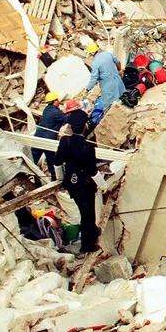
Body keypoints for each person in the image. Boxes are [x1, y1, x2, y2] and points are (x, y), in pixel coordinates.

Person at [53, 109, 102, 255]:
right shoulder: (88, 147)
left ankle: (92, 231)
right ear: (85, 127)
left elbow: (57, 163)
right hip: (84, 185)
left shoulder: (64, 141)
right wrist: (103, 186)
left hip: (71, 184)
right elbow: (92, 171)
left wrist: (61, 179)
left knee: (84, 211)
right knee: (88, 215)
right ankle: (87, 245)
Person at [32, 93, 70, 179]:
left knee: (34, 156)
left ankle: (28, 172)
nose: (58, 102)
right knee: (51, 158)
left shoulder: (46, 109)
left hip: (38, 135)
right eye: (57, 100)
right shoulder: (56, 112)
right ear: (54, 101)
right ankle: (54, 177)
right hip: (48, 137)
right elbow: (67, 119)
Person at [85, 41, 125, 116]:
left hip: (108, 85)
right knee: (123, 99)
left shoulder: (95, 63)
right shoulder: (107, 54)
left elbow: (94, 78)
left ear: (91, 53)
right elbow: (118, 62)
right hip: (118, 80)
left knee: (108, 107)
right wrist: (119, 70)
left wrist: (87, 89)